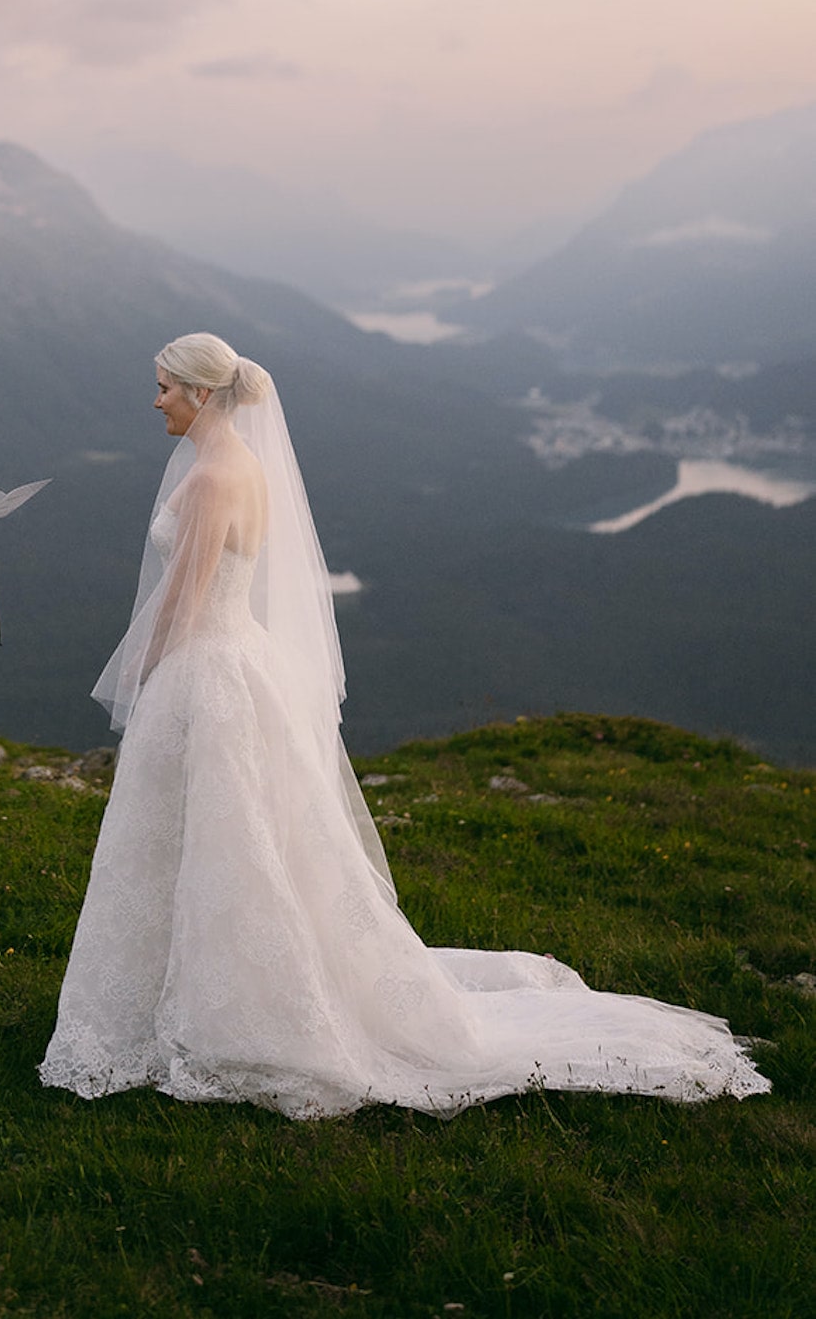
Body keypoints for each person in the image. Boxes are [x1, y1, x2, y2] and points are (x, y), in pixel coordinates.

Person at [40, 332, 770, 1118]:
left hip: (207, 670)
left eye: (165, 389)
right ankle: (187, 992)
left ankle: (227, 1010)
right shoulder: (240, 466)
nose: (157, 402)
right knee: (230, 841)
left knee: (221, 841)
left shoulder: (215, 476)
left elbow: (182, 598)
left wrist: (143, 672)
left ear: (202, 395)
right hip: (234, 665)